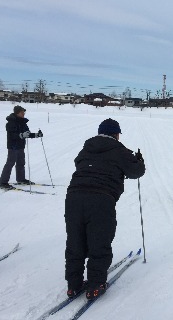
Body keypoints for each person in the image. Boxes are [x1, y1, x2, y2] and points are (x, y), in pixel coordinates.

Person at [64, 118, 145, 300]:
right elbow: (136, 172)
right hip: (101, 199)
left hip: (74, 197)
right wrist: (139, 161)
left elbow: (79, 163)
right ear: (116, 134)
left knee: (75, 241)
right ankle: (95, 285)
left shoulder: (86, 147)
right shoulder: (119, 150)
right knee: (99, 241)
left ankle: (73, 285)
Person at [0, 105, 43, 189]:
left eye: (24, 112)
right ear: (17, 112)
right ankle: (3, 182)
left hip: (21, 146)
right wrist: (21, 135)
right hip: (13, 146)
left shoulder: (23, 122)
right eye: (22, 112)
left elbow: (27, 134)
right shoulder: (10, 122)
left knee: (21, 163)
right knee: (10, 163)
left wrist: (37, 135)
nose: (23, 113)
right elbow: (12, 135)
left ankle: (21, 179)